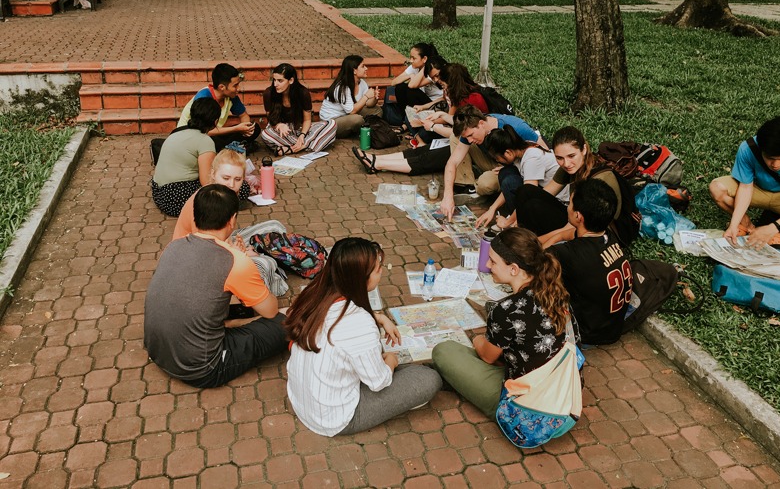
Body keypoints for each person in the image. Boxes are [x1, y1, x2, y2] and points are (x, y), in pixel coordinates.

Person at [285, 238, 442, 436]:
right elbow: (378, 382)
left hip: (304, 401)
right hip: (336, 418)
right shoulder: (359, 323)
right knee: (429, 379)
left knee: (394, 366)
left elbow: (336, 322)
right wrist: (391, 361)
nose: (382, 272)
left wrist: (379, 317)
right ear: (360, 278)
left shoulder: (315, 293)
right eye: (378, 269)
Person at [144, 185, 287, 388]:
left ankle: (232, 324)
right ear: (232, 219)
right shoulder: (235, 260)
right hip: (203, 368)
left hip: (158, 352)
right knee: (290, 319)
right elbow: (271, 311)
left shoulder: (174, 245)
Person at [432, 227, 578, 417]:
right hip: (564, 393)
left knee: (444, 351)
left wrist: (477, 339)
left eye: (493, 261)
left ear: (514, 269)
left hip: (526, 407)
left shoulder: (506, 310)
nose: (487, 265)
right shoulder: (556, 292)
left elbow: (487, 357)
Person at [172, 146, 288, 296]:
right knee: (265, 264)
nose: (231, 185)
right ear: (213, 174)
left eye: (237, 179)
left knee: (275, 226)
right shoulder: (205, 201)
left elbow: (222, 235)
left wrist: (234, 247)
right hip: (197, 260)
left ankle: (264, 254)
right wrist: (239, 254)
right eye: (226, 178)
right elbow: (204, 248)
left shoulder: (227, 195)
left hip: (219, 245)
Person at [514, 126, 639, 248]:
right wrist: (512, 223)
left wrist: (536, 242)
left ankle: (527, 245)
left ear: (584, 149)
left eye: (571, 156)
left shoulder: (598, 180)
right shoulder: (569, 167)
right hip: (577, 217)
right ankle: (520, 236)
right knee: (525, 191)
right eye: (559, 158)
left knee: (533, 206)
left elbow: (575, 226)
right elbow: (545, 193)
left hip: (600, 230)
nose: (566, 163)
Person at [550, 179, 633, 346]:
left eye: (570, 203)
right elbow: (566, 235)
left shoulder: (567, 254)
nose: (568, 207)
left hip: (587, 334)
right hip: (612, 327)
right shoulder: (607, 234)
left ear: (578, 216)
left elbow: (530, 265)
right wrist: (555, 238)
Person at [440, 105, 546, 219]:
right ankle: (467, 186)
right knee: (455, 138)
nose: (469, 140)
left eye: (471, 135)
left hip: (516, 168)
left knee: (485, 184)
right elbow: (452, 162)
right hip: (495, 161)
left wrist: (514, 167)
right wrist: (447, 196)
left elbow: (543, 152)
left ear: (481, 123)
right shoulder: (471, 132)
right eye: (467, 137)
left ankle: (480, 185)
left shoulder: (517, 127)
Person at [709, 115, 780, 248]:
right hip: (758, 189)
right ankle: (745, 225)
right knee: (717, 188)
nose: (775, 165)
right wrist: (734, 223)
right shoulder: (748, 148)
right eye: (769, 158)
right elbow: (745, 187)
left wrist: (774, 228)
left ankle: (775, 232)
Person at [152, 98, 251, 217]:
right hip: (175, 197)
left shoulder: (177, 132)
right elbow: (207, 181)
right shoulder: (204, 141)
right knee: (243, 188)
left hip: (158, 193)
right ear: (215, 121)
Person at [476, 125, 568, 229]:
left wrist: (507, 222)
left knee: (512, 181)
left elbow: (528, 196)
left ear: (508, 152)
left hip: (559, 204)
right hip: (544, 193)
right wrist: (492, 209)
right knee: (506, 172)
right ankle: (516, 219)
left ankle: (518, 224)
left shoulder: (531, 157)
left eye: (497, 158)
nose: (497, 161)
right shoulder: (520, 151)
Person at [177, 63, 260, 152]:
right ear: (222, 87)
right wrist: (236, 129)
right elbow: (204, 131)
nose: (238, 88)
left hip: (214, 133)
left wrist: (246, 129)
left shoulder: (231, 96)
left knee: (255, 128)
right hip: (193, 136)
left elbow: (243, 115)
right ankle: (233, 148)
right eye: (235, 85)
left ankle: (231, 148)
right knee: (215, 142)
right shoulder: (203, 97)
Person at [260, 63, 337, 156]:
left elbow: (307, 120)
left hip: (300, 128)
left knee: (331, 124)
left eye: (280, 81)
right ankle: (308, 144)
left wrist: (302, 135)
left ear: (291, 80)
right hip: (282, 131)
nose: (275, 84)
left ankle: (298, 147)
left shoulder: (302, 92)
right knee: (265, 134)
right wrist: (278, 125)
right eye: (274, 80)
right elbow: (271, 119)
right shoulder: (268, 93)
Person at [319, 55, 382, 138]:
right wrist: (366, 96)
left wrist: (374, 98)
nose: (366, 68)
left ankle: (361, 130)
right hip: (331, 122)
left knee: (377, 110)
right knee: (357, 119)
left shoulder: (362, 83)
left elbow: (368, 104)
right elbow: (351, 111)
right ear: (354, 71)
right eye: (363, 66)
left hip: (346, 115)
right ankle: (359, 131)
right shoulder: (342, 87)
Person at [383, 43, 444, 127]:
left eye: (414, 58)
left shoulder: (432, 70)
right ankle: (406, 119)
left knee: (411, 91)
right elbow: (393, 82)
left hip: (435, 104)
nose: (411, 61)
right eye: (410, 57)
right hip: (422, 101)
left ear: (424, 59)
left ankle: (410, 122)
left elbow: (411, 86)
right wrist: (409, 75)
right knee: (400, 87)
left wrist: (425, 67)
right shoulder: (414, 67)